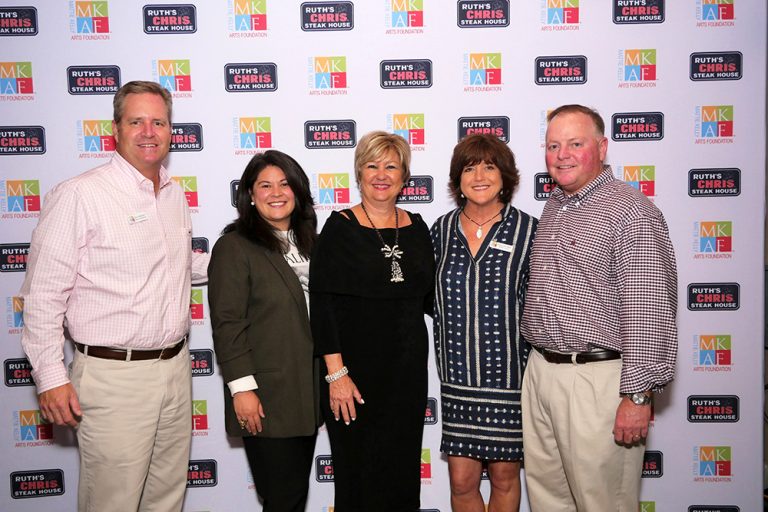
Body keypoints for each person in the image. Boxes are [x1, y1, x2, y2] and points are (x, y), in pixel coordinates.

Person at [19, 80, 209, 511]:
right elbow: (43, 295)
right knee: (112, 503)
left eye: (158, 122)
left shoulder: (173, 194)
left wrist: (252, 263)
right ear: (116, 129)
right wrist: (50, 377)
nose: (149, 132)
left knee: (167, 499)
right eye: (136, 121)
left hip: (175, 370)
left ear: (171, 130)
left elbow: (179, 263)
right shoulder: (80, 195)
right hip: (113, 378)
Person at [520, 104, 677, 511]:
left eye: (575, 144)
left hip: (598, 380)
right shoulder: (556, 204)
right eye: (553, 146)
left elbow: (648, 308)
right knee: (548, 500)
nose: (562, 155)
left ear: (602, 148)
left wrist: (637, 397)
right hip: (542, 372)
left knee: (604, 502)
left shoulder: (630, 210)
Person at [309, 131, 434, 511]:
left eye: (391, 166)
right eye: (372, 165)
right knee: (358, 477)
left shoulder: (417, 227)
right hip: (353, 377)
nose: (381, 175)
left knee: (402, 475)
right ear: (359, 173)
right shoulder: (339, 228)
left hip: (406, 376)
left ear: (404, 176)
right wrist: (336, 375)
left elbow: (429, 299)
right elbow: (323, 305)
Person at [208, 150, 321, 512]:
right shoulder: (234, 246)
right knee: (283, 498)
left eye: (285, 184)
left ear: (298, 191)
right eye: (265, 185)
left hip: (307, 394)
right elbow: (227, 322)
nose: (276, 193)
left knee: (293, 496)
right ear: (250, 195)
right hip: (265, 397)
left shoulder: (312, 243)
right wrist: (242, 389)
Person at [431, 134, 536, 512]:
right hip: (457, 378)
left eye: (489, 167)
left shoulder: (529, 230)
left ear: (505, 176)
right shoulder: (440, 231)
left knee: (505, 477)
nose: (479, 176)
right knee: (461, 481)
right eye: (469, 168)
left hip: (509, 379)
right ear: (457, 179)